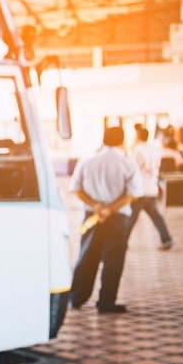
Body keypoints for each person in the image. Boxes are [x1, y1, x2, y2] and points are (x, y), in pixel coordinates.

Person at [69, 126, 143, 313]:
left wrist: (97, 207)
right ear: (122, 140)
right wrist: (110, 209)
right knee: (113, 260)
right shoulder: (128, 163)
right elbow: (133, 194)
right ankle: (106, 302)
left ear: (103, 139)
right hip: (118, 218)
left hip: (92, 217)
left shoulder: (87, 160)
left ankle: (77, 297)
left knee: (87, 256)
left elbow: (76, 189)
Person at [127, 126, 172, 249]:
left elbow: (133, 170)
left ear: (138, 136)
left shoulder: (137, 150)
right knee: (156, 216)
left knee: (130, 218)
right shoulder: (153, 150)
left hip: (140, 191)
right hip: (151, 188)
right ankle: (166, 239)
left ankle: (121, 242)